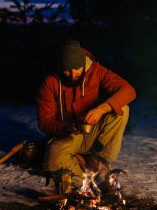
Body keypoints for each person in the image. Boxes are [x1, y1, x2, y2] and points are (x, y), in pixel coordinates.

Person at [36, 40, 136, 193]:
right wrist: (66, 126)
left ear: (83, 64)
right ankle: (87, 172)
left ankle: (100, 161)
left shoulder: (95, 71)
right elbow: (44, 122)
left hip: (92, 131)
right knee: (52, 163)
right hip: (68, 135)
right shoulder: (50, 82)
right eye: (67, 70)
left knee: (122, 109)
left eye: (77, 68)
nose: (73, 74)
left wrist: (101, 109)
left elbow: (129, 91)